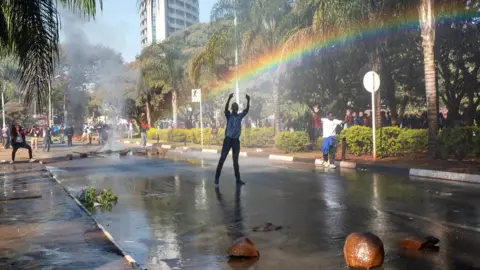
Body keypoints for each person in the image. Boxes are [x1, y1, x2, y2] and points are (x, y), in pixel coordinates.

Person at [214, 93, 250, 187]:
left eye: (236, 107)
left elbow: (246, 111)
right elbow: (225, 110)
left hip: (235, 141)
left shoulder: (239, 116)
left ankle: (238, 180)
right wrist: (229, 98)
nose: (234, 109)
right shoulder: (228, 116)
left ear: (237, 109)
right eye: (233, 107)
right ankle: (217, 178)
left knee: (235, 161)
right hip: (228, 140)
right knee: (222, 159)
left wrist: (248, 101)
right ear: (232, 109)